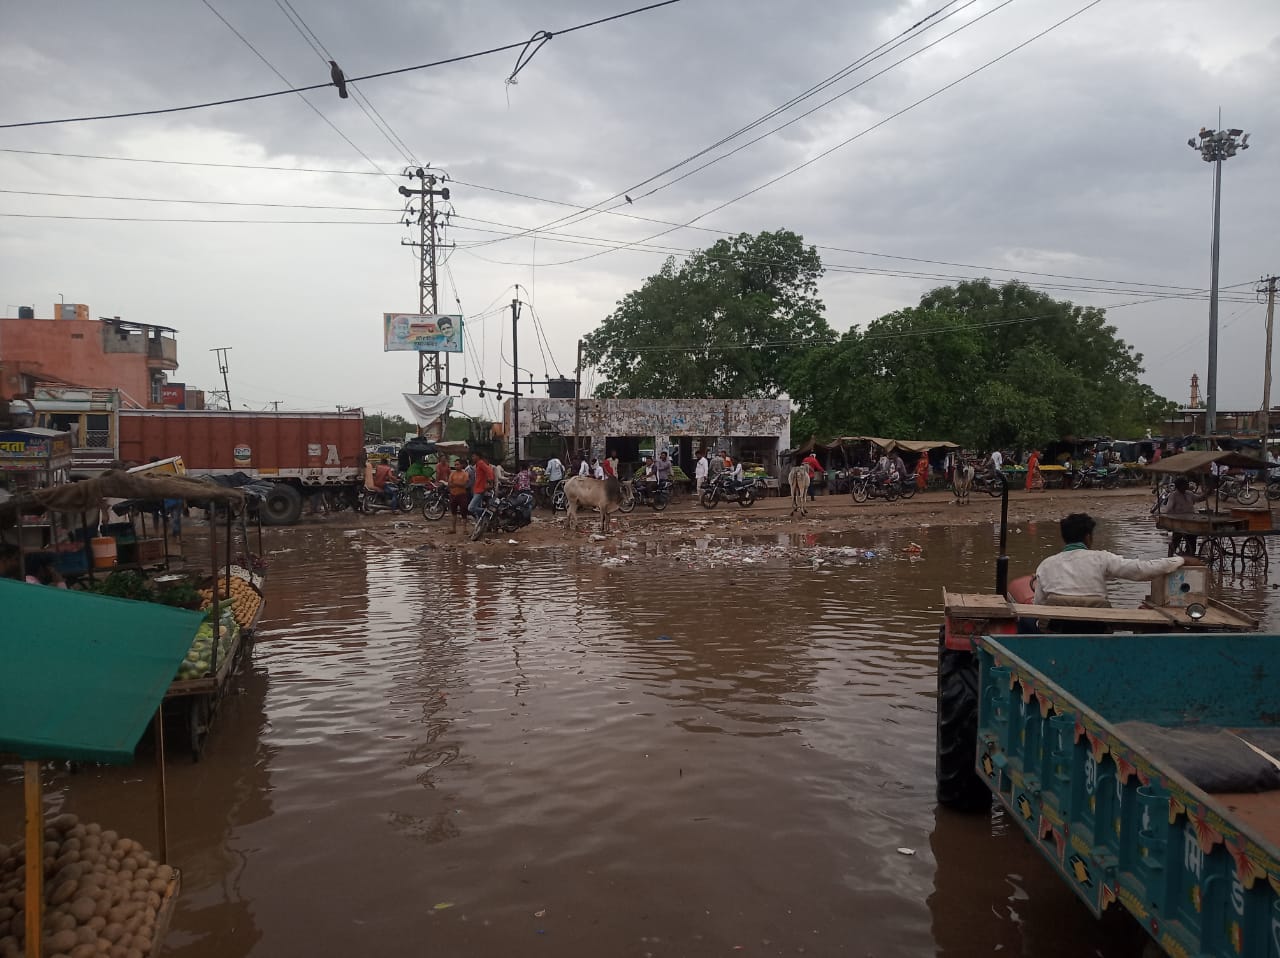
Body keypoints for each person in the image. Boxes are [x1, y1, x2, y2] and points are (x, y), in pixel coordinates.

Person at [1033, 513, 1193, 631]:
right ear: (1088, 537)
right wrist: (1181, 560)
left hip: (1057, 629)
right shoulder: (1102, 558)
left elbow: (1038, 605)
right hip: (1097, 627)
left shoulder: (1046, 565)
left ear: (1064, 538)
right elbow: (1142, 570)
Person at [1164, 478, 1207, 556]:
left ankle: (1190, 554)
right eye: (1185, 485)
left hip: (1191, 520)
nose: (1186, 486)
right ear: (1179, 486)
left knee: (1193, 538)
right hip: (1179, 522)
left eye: (1186, 485)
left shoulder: (1189, 493)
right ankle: (1169, 557)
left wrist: (1207, 494)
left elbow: (1199, 498)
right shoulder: (1173, 495)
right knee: (1176, 540)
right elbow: (1168, 510)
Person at [447, 459, 470, 534]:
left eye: (458, 464)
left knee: (464, 512)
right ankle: (453, 529)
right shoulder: (452, 473)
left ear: (462, 465)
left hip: (462, 495)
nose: (456, 466)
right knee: (453, 512)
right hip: (453, 495)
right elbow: (449, 484)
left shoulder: (465, 473)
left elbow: (464, 484)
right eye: (455, 464)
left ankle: (465, 529)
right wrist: (457, 484)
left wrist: (455, 484)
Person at [469, 452, 494, 520]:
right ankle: (482, 524)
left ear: (478, 456)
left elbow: (489, 471)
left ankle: (487, 512)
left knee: (471, 508)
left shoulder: (481, 463)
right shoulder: (477, 465)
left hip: (480, 489)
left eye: (474, 456)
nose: (472, 458)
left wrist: (491, 481)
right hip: (477, 488)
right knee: (477, 509)